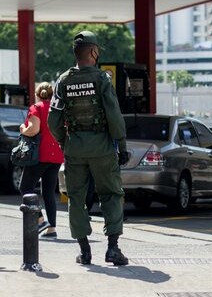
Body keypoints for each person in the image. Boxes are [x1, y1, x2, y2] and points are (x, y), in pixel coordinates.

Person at [48, 30, 130, 266]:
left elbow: (53, 121)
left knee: (76, 197)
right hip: (102, 147)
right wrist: (121, 145)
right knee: (111, 194)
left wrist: (66, 142)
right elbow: (114, 115)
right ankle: (113, 249)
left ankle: (85, 251)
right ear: (93, 52)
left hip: (75, 148)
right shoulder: (102, 79)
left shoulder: (62, 80)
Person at [18, 82, 64, 239]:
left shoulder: (36, 108)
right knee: (49, 192)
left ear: (37, 94)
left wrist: (22, 129)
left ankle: (40, 219)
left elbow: (33, 129)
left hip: (40, 155)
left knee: (25, 187)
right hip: (57, 155)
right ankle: (52, 228)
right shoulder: (58, 109)